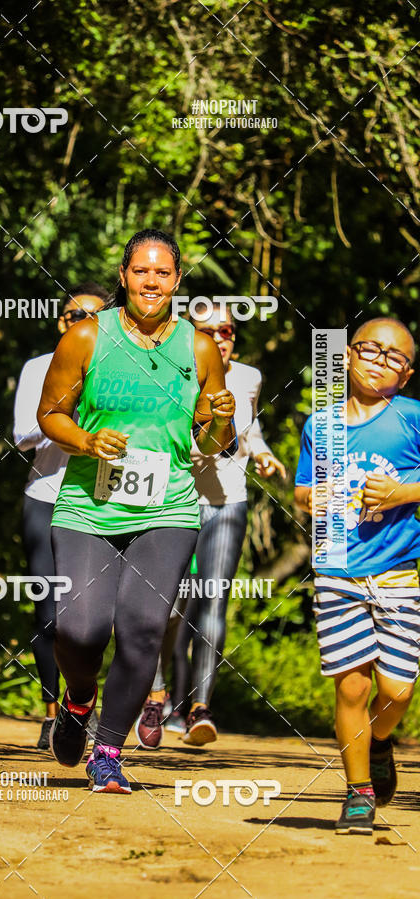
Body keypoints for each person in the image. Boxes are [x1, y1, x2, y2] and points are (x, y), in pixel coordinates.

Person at [36, 229, 237, 793]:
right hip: (88, 505)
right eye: (141, 271)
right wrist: (85, 440)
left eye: (164, 273)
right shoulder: (85, 337)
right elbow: (50, 412)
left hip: (167, 506)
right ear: (124, 276)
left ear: (177, 281)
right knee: (79, 629)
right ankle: (77, 701)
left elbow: (213, 441)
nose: (152, 281)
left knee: (144, 629)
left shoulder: (197, 347)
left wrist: (220, 417)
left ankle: (109, 749)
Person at [136, 301, 286, 749]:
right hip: (172, 500)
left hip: (227, 501)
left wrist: (261, 452)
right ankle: (155, 697)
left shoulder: (249, 378)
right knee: (167, 607)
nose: (221, 338)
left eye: (228, 331)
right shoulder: (168, 371)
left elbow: (249, 429)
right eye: (210, 331)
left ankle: (202, 708)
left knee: (213, 604)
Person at [294, 317, 420, 834]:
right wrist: (310, 499)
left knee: (398, 692)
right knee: (351, 689)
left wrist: (401, 494)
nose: (379, 360)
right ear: (347, 355)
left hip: (398, 573)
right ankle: (358, 792)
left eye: (395, 357)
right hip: (337, 567)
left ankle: (382, 740)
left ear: (407, 375)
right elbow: (303, 489)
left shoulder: (412, 418)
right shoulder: (319, 426)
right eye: (370, 349)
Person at [13, 283, 107, 748]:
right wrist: (68, 422)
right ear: (60, 322)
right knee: (50, 612)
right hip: (45, 496)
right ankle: (54, 711)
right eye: (75, 316)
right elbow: (23, 435)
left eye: (95, 315)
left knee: (90, 616)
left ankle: (82, 700)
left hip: (100, 502)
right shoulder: (38, 367)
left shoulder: (118, 368)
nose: (84, 323)